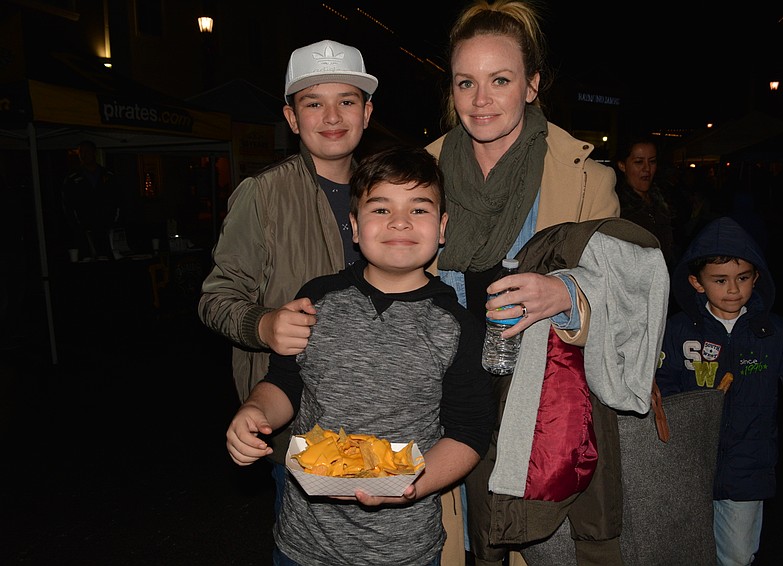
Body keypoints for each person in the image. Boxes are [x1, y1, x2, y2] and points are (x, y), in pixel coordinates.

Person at [424, 2, 658, 565]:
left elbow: (630, 291)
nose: (481, 100)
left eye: (499, 80)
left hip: (541, 411)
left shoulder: (586, 178)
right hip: (445, 405)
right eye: (466, 83)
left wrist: (569, 295)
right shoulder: (419, 173)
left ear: (531, 85)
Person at [225, 146, 496, 565]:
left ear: (442, 228)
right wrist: (254, 411)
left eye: (419, 210)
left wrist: (411, 484)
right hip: (303, 542)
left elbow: (469, 432)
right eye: (381, 209)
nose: (400, 222)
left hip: (403, 548)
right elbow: (284, 384)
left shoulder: (459, 327)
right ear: (354, 226)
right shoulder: (316, 298)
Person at [197, 38, 377, 558]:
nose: (331, 116)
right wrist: (263, 324)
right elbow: (216, 296)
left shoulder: (388, 193)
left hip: (384, 424)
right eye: (312, 103)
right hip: (300, 431)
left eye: (346, 100)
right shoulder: (264, 194)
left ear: (367, 112)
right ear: (291, 118)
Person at [654, 216, 783, 566]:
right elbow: (658, 383)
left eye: (742, 278)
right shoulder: (678, 331)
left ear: (756, 278)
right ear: (697, 282)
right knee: (688, 549)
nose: (733, 289)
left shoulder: (771, 332)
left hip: (748, 466)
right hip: (689, 466)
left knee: (738, 555)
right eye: (720, 280)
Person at [614, 133, 678, 272]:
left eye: (652, 161)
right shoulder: (614, 206)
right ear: (622, 165)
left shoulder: (664, 199)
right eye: (638, 162)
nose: (647, 168)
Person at [60, 139, 122, 260]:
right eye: (81, 152)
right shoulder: (73, 178)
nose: (84, 155)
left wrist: (114, 221)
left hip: (106, 228)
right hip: (85, 230)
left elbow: (118, 200)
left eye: (86, 151)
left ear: (94, 152)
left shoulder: (108, 175)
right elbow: (67, 205)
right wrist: (77, 226)